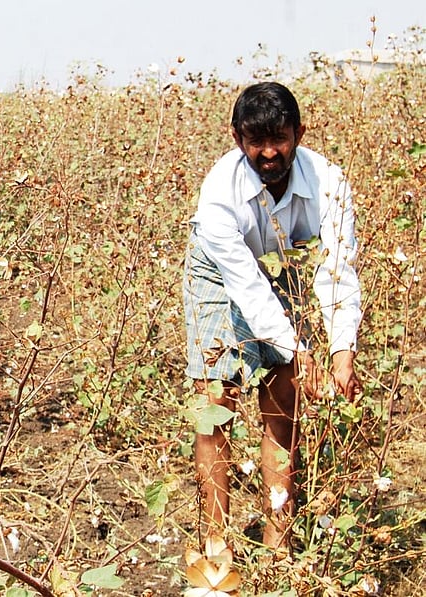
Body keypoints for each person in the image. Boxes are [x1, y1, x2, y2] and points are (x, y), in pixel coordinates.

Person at [182, 82, 362, 552]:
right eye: (255, 141)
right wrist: (301, 350)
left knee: (284, 395)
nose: (267, 152)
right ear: (237, 138)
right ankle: (216, 545)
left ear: (298, 133)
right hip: (221, 271)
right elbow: (245, 284)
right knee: (215, 401)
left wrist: (343, 349)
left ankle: (277, 537)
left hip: (289, 261)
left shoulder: (329, 183)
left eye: (278, 139)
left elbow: (337, 269)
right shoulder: (220, 192)